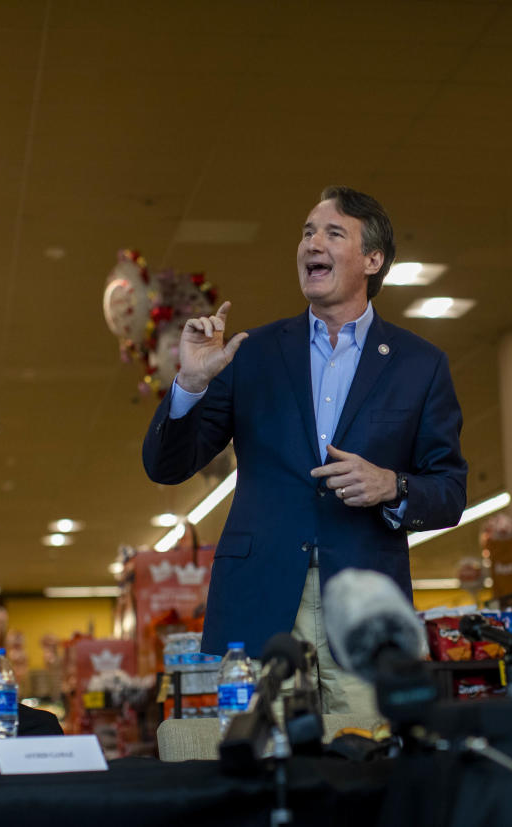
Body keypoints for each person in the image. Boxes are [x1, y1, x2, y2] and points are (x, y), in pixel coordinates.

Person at [143, 185, 467, 714]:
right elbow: (167, 465)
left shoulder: (419, 364)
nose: (312, 242)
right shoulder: (250, 354)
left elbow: (451, 490)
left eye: (333, 232)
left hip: (363, 608)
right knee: (259, 763)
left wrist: (393, 485)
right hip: (258, 603)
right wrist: (190, 384)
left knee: (366, 767)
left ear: (373, 259)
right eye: (307, 232)